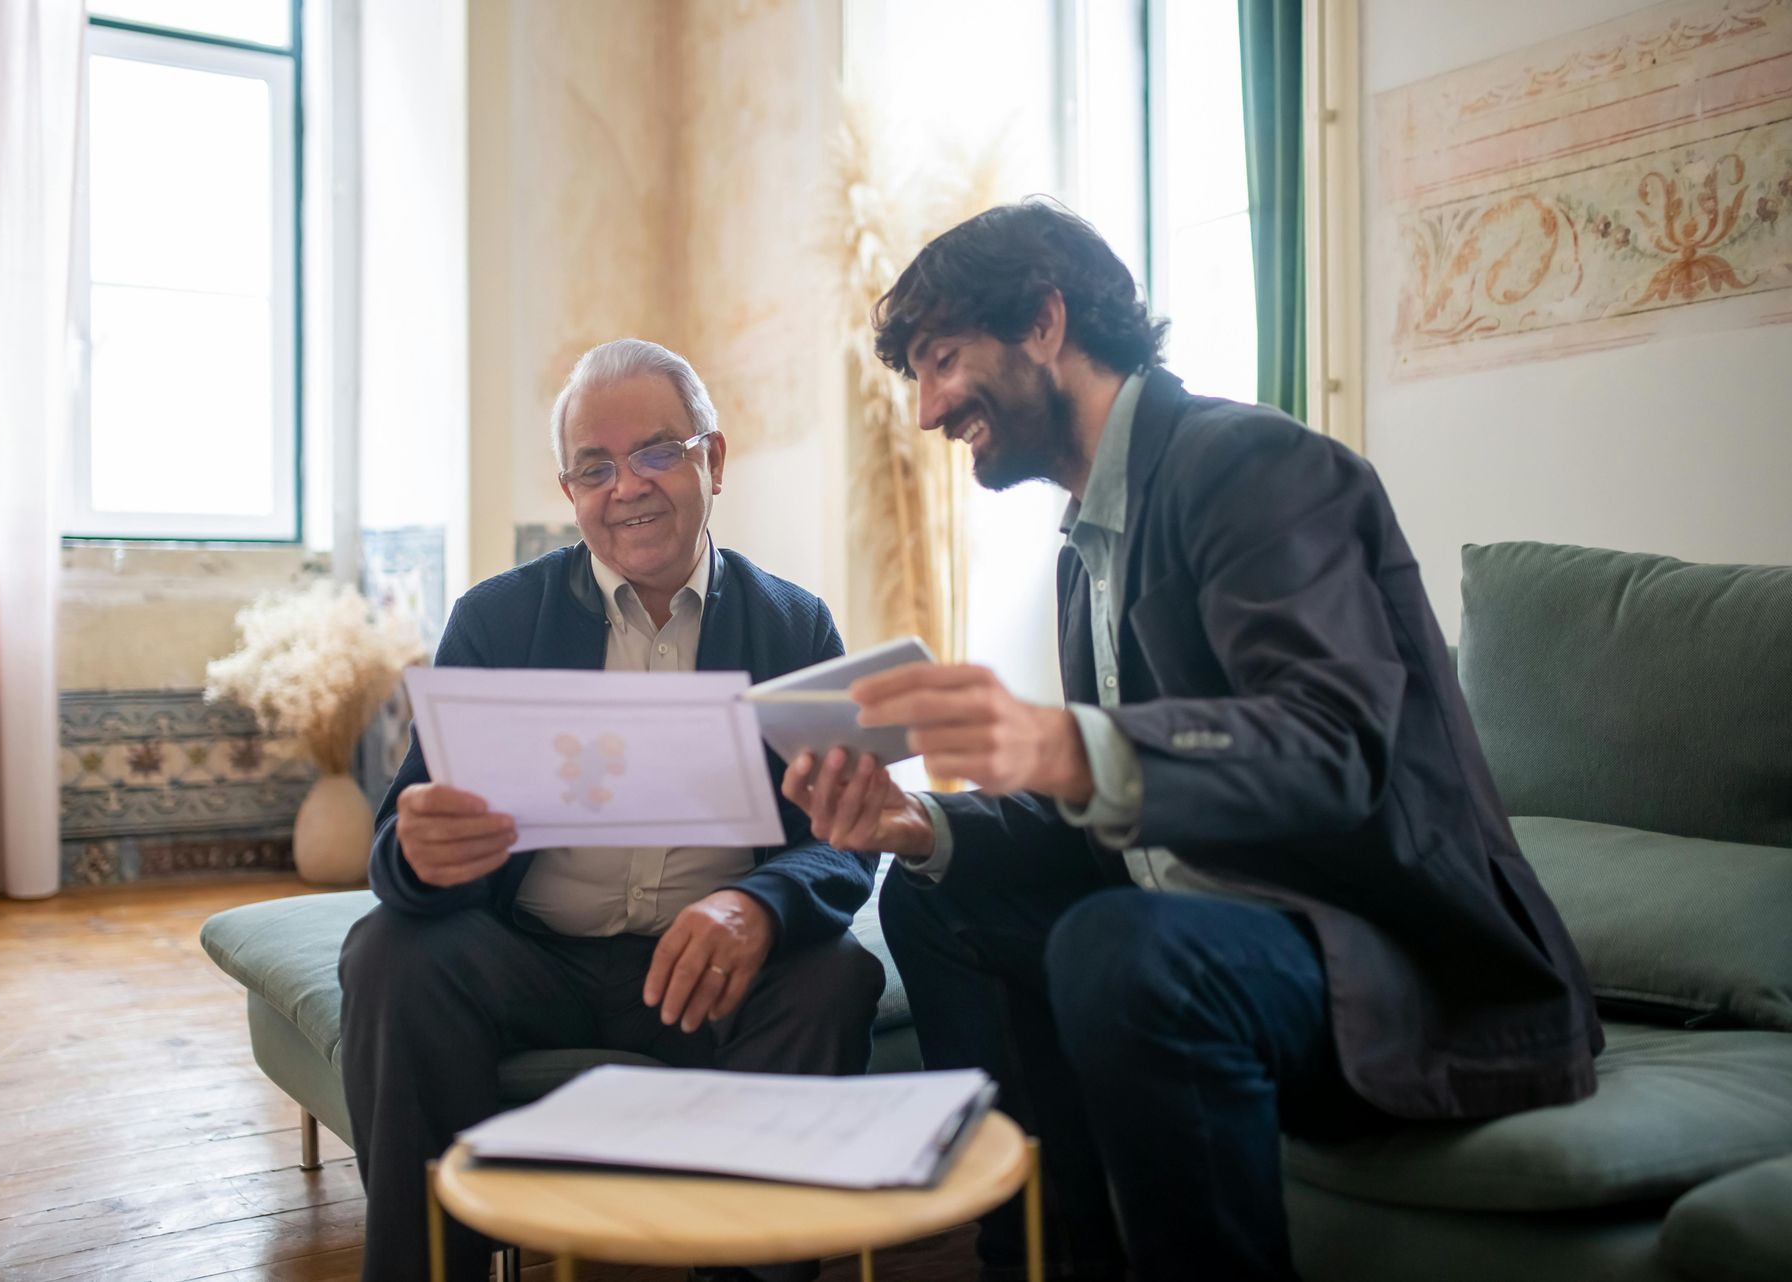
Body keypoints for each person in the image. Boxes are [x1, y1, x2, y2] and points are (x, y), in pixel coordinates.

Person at [782, 201, 1601, 1282]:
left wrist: (1071, 744)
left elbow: (1333, 745)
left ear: (1043, 320)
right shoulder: (1087, 552)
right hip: (1217, 944)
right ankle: (1049, 1262)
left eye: (942, 360)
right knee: (938, 898)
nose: (930, 409)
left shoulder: (1251, 467)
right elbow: (1122, 829)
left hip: (1390, 959)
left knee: (1123, 945)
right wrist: (920, 824)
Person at [341, 338, 883, 1282]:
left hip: (711, 967)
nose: (627, 486)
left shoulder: (794, 627)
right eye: (595, 467)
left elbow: (841, 844)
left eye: (657, 453)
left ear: (714, 460)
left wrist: (756, 906)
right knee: (389, 951)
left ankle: (752, 1267)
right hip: (531, 960)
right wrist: (419, 853)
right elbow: (399, 836)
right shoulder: (496, 622)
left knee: (833, 976)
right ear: (571, 492)